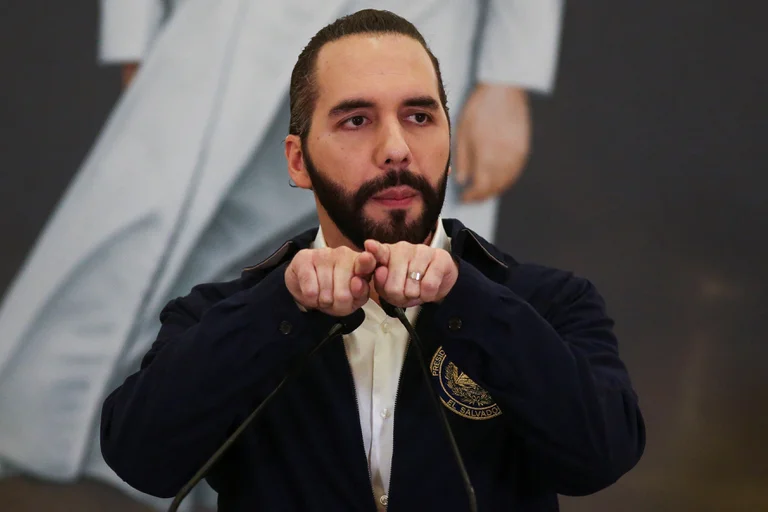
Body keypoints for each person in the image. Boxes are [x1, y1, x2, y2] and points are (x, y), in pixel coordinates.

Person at [0, 1, 563, 509]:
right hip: (230, 30)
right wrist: (135, 31)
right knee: (161, 260)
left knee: (403, 283)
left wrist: (508, 75)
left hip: (423, 24)